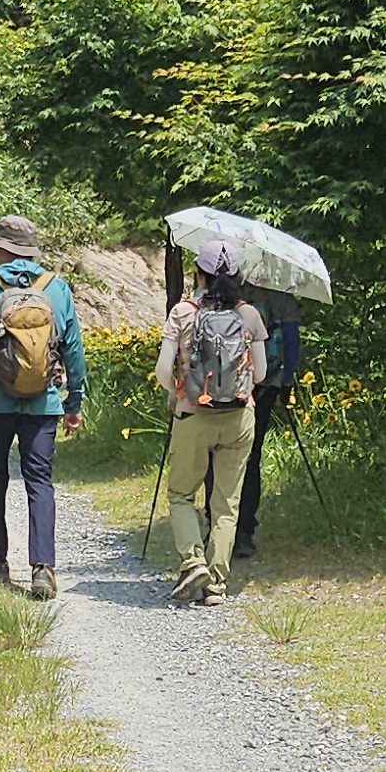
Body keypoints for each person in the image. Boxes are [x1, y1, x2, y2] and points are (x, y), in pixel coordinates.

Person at [0, 213, 86, 599]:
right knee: (39, 481)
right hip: (44, 402)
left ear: (4, 250)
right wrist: (74, 400)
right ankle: (43, 569)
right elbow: (73, 349)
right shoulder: (56, 288)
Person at [154, 240, 267, 603]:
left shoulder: (182, 313)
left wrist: (177, 391)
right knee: (226, 504)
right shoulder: (250, 315)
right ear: (236, 277)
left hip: (194, 414)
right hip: (239, 417)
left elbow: (162, 370)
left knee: (181, 494)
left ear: (198, 274)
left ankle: (192, 561)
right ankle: (216, 584)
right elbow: (260, 374)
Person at [235, 282, 303, 559]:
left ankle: (217, 526)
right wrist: (286, 382)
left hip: (225, 386)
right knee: (251, 456)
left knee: (218, 454)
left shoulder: (227, 291)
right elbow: (292, 341)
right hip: (266, 385)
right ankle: (244, 532)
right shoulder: (282, 297)